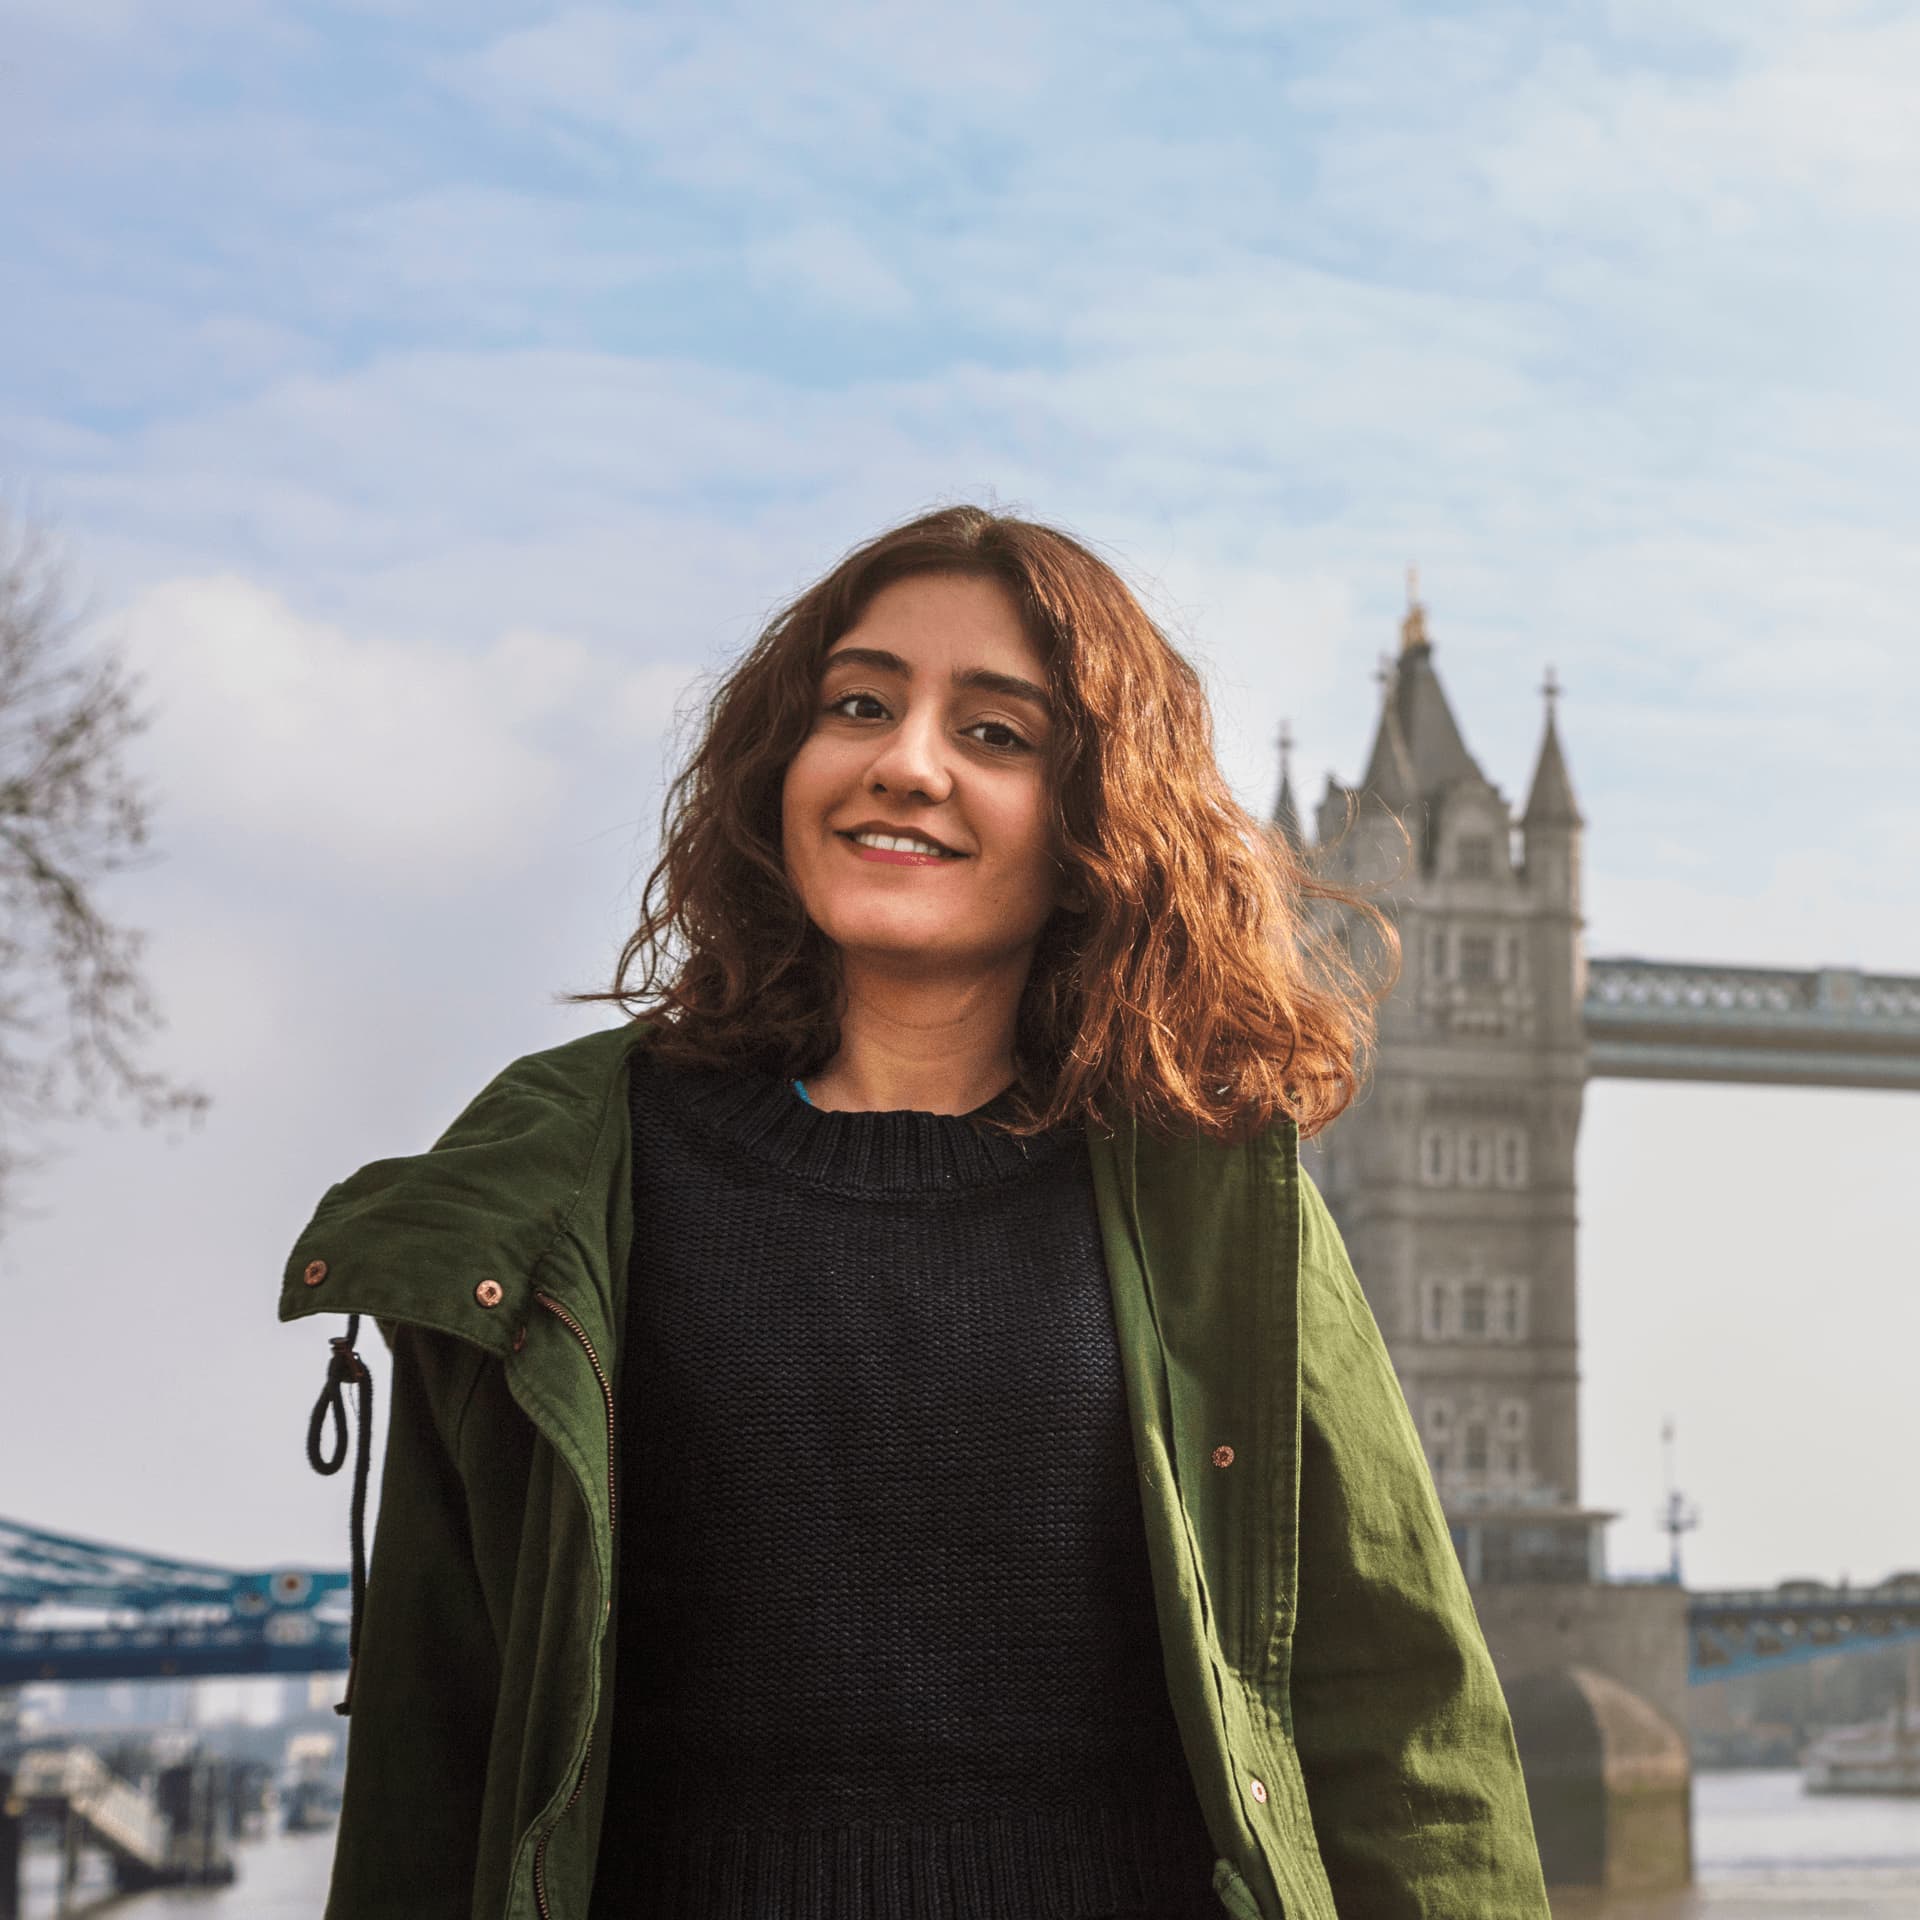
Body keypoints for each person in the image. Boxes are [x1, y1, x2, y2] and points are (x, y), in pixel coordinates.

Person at [283, 505, 1551, 1920]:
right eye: (860, 705)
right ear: (784, 761)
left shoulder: (1213, 1195)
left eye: (997, 733)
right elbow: (429, 1762)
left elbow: (1404, 1733)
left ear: (1096, 825)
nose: (907, 761)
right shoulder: (556, 1188)